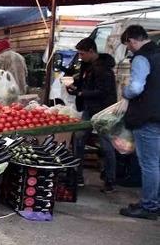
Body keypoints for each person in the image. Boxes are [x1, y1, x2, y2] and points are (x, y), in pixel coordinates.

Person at [118, 25, 160, 220]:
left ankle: (149, 206)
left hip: (147, 116)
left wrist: (125, 92)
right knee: (157, 162)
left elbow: (136, 88)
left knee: (149, 164)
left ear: (132, 41)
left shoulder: (142, 58)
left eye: (128, 45)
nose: (129, 49)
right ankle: (155, 201)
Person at [68, 38, 117, 192]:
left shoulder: (104, 69)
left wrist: (82, 92)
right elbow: (84, 84)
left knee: (106, 144)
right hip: (89, 108)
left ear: (91, 51)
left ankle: (110, 180)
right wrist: (76, 87)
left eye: (82, 54)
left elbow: (104, 92)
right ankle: (77, 176)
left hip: (103, 111)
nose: (80, 57)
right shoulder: (87, 66)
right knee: (79, 139)